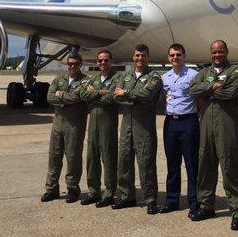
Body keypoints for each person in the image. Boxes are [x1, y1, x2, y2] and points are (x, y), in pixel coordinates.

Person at [188, 40, 238, 231]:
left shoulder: (235, 72)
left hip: (226, 123)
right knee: (206, 163)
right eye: (214, 52)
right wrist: (211, 87)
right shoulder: (205, 72)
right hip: (206, 124)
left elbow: (231, 92)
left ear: (227, 52)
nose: (217, 55)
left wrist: (206, 91)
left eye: (220, 52)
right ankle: (206, 205)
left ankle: (237, 210)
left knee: (230, 164)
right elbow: (192, 90)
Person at [112, 44, 163, 214]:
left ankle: (150, 199)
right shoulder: (125, 76)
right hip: (127, 125)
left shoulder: (154, 76)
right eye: (137, 56)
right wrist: (135, 97)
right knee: (124, 161)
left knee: (146, 163)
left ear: (148, 57)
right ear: (133, 57)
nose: (139, 59)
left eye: (143, 56)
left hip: (144, 126)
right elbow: (116, 97)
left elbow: (148, 95)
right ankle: (127, 197)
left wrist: (126, 94)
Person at [41, 52, 89, 203]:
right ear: (67, 64)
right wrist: (66, 98)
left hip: (74, 124)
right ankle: (51, 189)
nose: (72, 66)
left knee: (73, 157)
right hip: (57, 124)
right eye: (70, 64)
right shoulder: (59, 78)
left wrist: (60, 95)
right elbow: (49, 97)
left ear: (80, 65)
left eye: (75, 64)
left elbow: (78, 96)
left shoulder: (86, 81)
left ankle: (73, 189)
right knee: (54, 157)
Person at [159, 43, 199, 215]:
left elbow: (200, 100)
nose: (175, 58)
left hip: (188, 122)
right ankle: (172, 200)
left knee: (191, 164)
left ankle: (194, 202)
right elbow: (164, 98)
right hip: (171, 123)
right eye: (172, 55)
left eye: (178, 55)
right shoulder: (165, 77)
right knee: (172, 164)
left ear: (184, 56)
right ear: (169, 57)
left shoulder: (194, 75)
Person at [79, 49, 121, 207]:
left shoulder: (117, 77)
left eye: (106, 60)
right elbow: (83, 95)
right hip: (93, 122)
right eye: (100, 60)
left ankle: (109, 192)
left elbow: (113, 97)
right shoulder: (94, 78)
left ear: (111, 61)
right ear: (97, 62)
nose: (103, 63)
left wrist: (95, 94)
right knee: (92, 157)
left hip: (107, 123)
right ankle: (93, 191)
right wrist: (101, 93)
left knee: (108, 157)